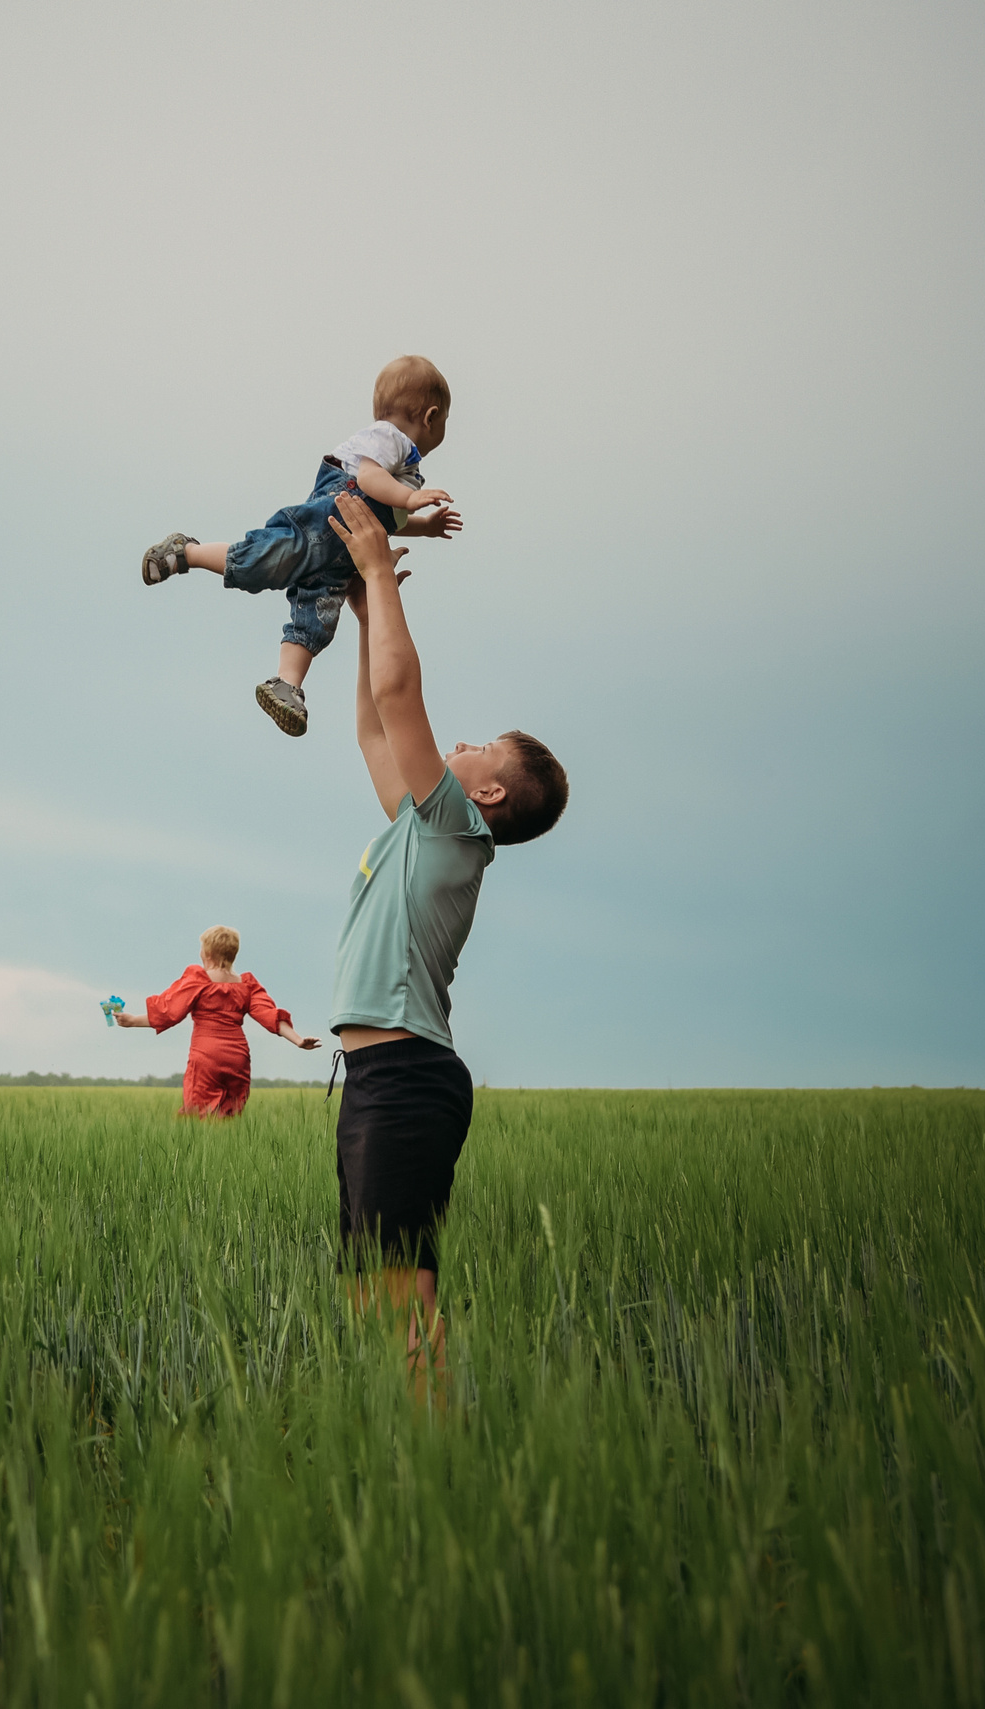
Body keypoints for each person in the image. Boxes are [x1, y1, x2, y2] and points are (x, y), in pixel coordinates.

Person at [321, 486, 568, 1383]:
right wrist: (361, 611)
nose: (453, 744)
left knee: (400, 1302)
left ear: (489, 795)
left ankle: (437, 1467)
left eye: (475, 748)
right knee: (370, 1297)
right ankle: (409, 1463)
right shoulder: (419, 829)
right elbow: (371, 724)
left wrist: (385, 572)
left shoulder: (456, 827)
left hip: (405, 1081)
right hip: (382, 1079)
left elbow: (401, 692)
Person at [139, 355, 464, 738]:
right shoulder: (389, 439)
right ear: (430, 416)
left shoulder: (407, 471)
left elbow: (387, 518)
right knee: (261, 561)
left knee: (315, 620)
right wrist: (410, 500)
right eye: (445, 421)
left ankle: (285, 683)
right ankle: (186, 552)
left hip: (341, 558)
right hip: (321, 527)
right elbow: (372, 478)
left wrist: (423, 526)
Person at [115, 925, 322, 1115]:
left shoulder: (198, 980)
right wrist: (298, 1040)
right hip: (238, 1058)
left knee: (198, 1113)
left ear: (208, 953)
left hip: (206, 1055)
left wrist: (132, 1020)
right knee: (229, 1115)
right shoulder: (246, 985)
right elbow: (269, 1014)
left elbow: (168, 1012)